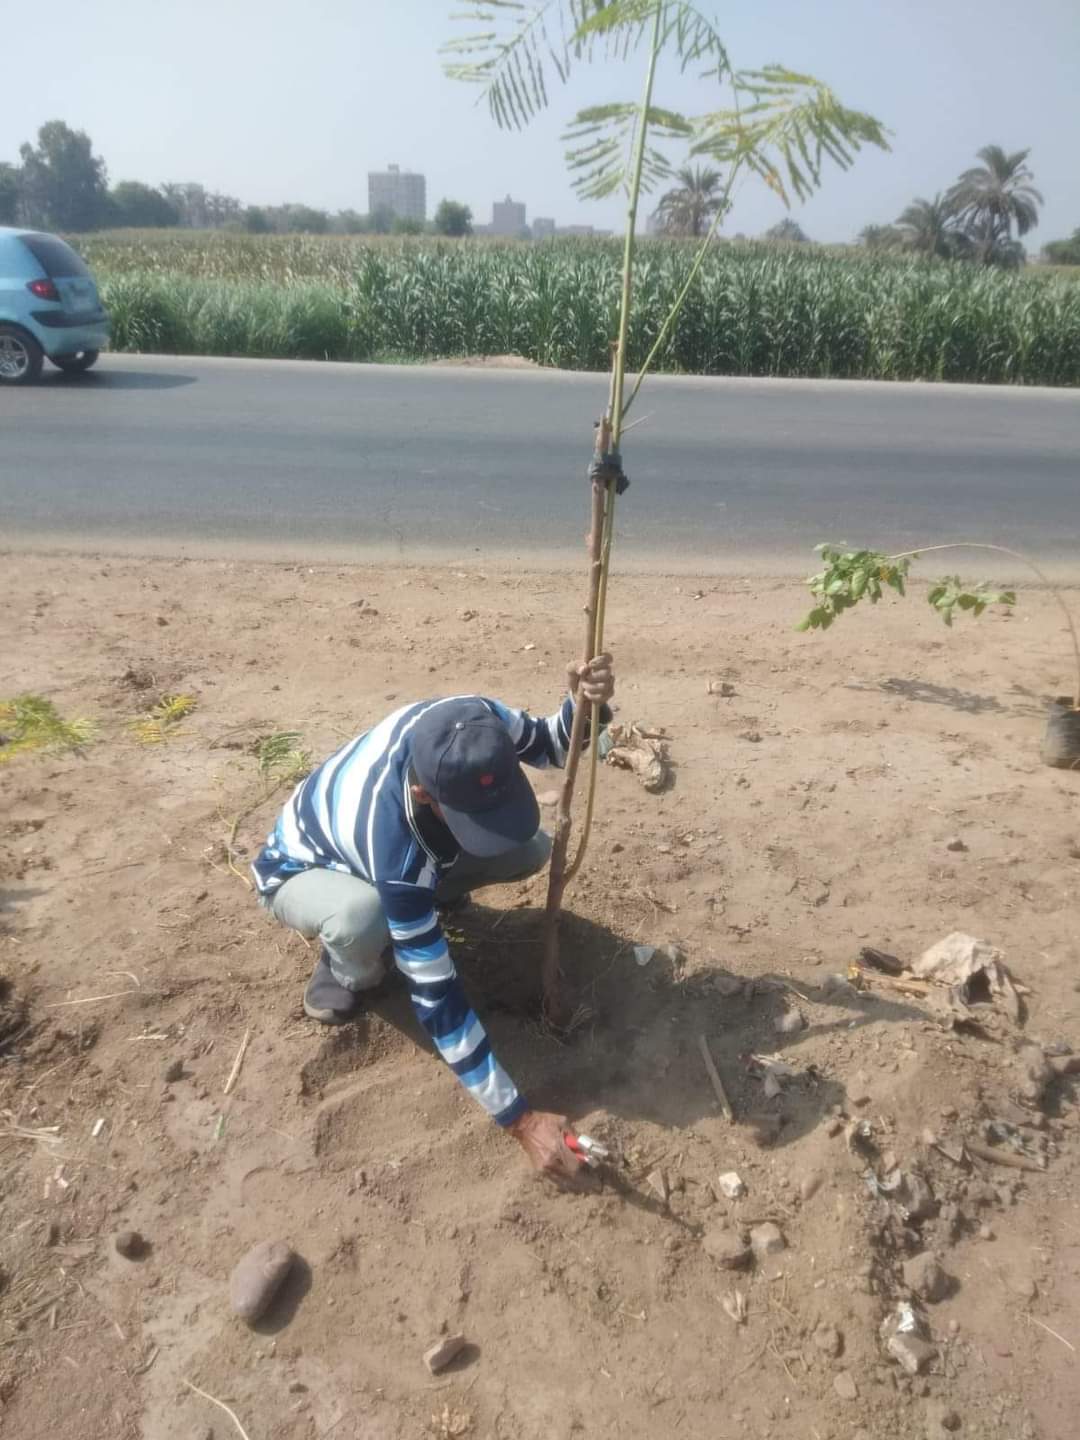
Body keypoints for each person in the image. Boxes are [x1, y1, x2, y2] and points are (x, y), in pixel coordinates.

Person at [251, 654, 615, 1183]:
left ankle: (426, 901)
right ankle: (346, 966)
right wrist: (519, 1119)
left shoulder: (474, 724)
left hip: (396, 854)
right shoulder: (395, 848)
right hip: (302, 868)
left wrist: (585, 704)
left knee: (526, 848)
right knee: (363, 918)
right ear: (425, 795)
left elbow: (552, 744)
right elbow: (438, 999)